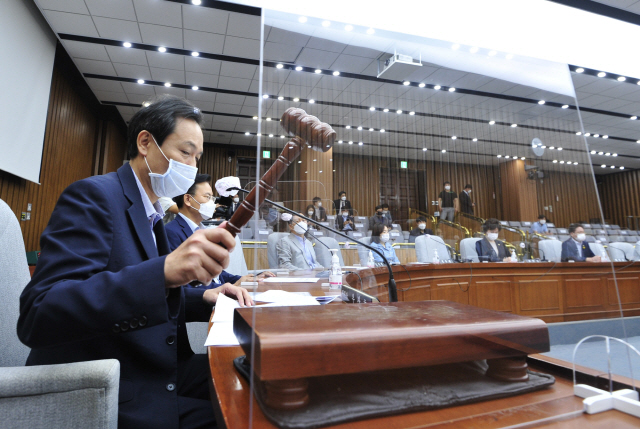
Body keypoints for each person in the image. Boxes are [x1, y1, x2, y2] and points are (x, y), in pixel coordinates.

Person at [18, 95, 253, 429]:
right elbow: (40, 313)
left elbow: (137, 284)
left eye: (196, 158)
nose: (191, 167)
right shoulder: (95, 196)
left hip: (157, 365)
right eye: (185, 153)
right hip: (111, 383)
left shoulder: (153, 215)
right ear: (146, 143)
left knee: (256, 377)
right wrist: (163, 273)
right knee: (246, 417)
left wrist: (203, 297)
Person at [165, 174, 273, 287]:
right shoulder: (172, 232)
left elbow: (217, 276)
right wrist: (231, 287)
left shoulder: (202, 230)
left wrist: (247, 278)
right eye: (207, 197)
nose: (212, 203)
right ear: (188, 199)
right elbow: (186, 287)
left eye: (212, 198)